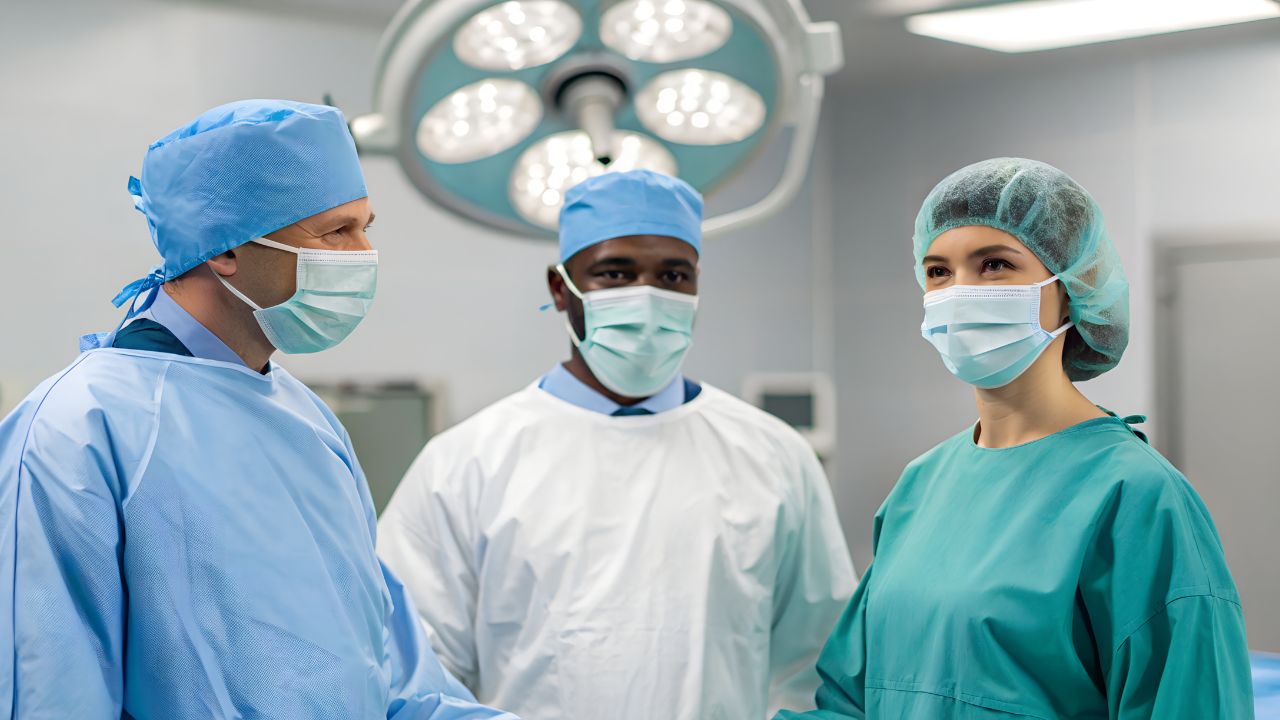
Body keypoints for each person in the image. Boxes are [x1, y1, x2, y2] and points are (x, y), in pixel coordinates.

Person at [0, 99, 518, 720]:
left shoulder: (306, 419)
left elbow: (392, 676)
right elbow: (49, 687)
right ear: (225, 251)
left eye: (366, 226)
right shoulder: (79, 427)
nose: (364, 253)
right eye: (335, 232)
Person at [776, 157, 1253, 719]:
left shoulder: (1137, 498)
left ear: (1073, 287)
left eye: (995, 265)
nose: (960, 292)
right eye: (937, 272)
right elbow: (849, 701)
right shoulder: (921, 486)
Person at [377, 169, 857, 720]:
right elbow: (413, 668)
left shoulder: (773, 455)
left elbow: (815, 667)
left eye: (673, 276)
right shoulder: (465, 463)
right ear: (561, 288)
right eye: (615, 273)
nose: (647, 296)